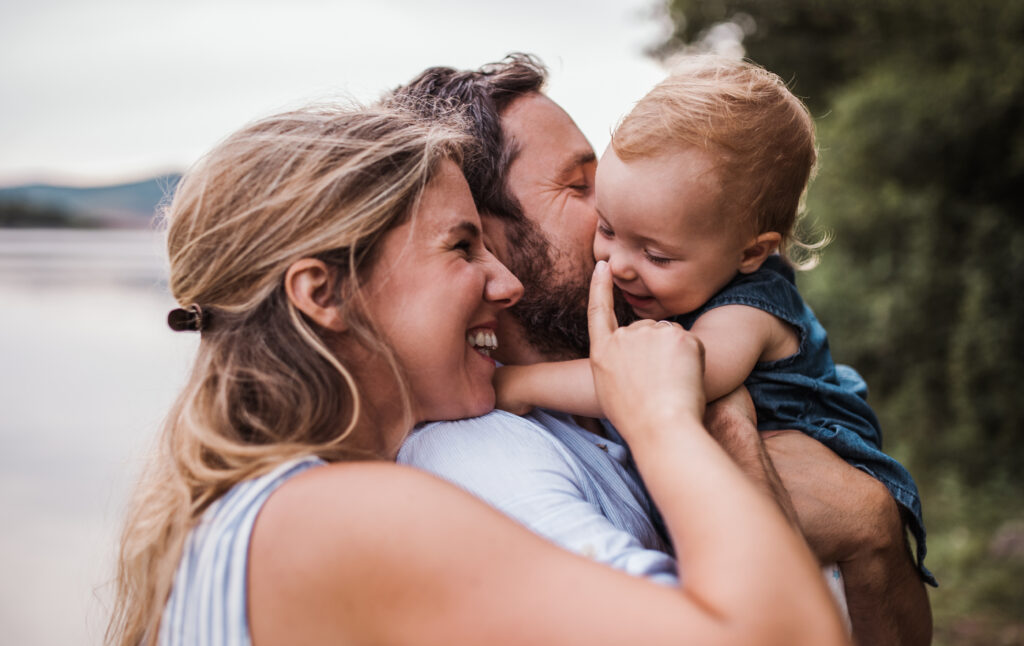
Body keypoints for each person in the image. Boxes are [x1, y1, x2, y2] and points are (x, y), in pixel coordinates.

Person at [107, 102, 849, 645]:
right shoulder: (339, 518)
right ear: (323, 293)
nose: (507, 285)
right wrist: (660, 418)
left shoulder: (255, 515)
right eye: (462, 248)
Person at [391, 54, 933, 645]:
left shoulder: (710, 321)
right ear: (483, 234)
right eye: (580, 187)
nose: (620, 210)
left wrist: (873, 523)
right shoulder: (481, 455)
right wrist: (735, 431)